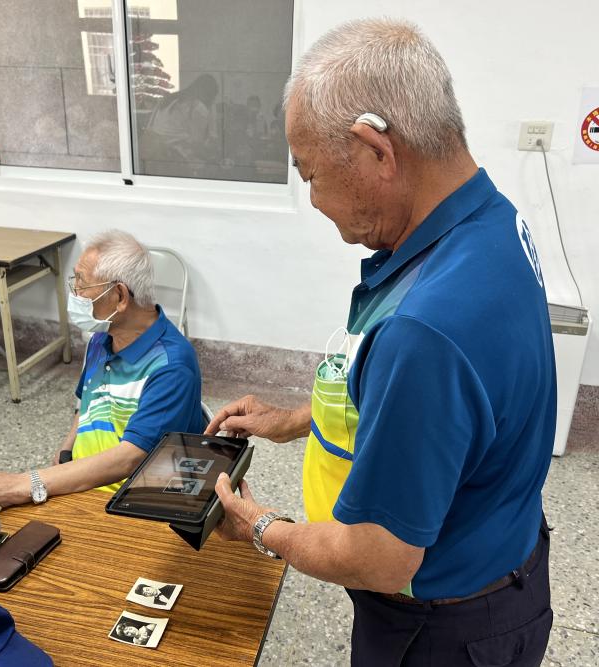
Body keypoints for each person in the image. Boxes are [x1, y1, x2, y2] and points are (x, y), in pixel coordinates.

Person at [206, 18, 555, 666]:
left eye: (311, 174)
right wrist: (294, 420)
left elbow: (380, 557)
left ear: (377, 150)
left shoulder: (425, 329)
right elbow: (450, 412)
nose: (315, 201)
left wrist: (262, 526)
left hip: (443, 631)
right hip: (510, 564)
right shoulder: (489, 222)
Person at [0, 231, 204, 507]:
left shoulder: (171, 366)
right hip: (80, 484)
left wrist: (27, 483)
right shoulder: (102, 337)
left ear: (120, 296)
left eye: (82, 284)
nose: (75, 293)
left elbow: (130, 458)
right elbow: (88, 404)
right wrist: (66, 448)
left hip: (129, 501)